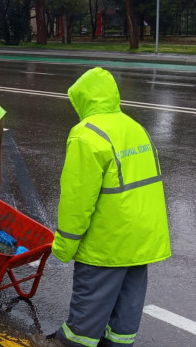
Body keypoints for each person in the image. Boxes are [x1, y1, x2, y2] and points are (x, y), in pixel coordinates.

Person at [49, 67, 171, 347]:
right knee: (128, 305)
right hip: (142, 236)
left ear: (82, 100)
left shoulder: (86, 135)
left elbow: (77, 200)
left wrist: (64, 246)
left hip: (108, 240)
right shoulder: (134, 127)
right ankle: (117, 343)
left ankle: (74, 343)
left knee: (88, 310)